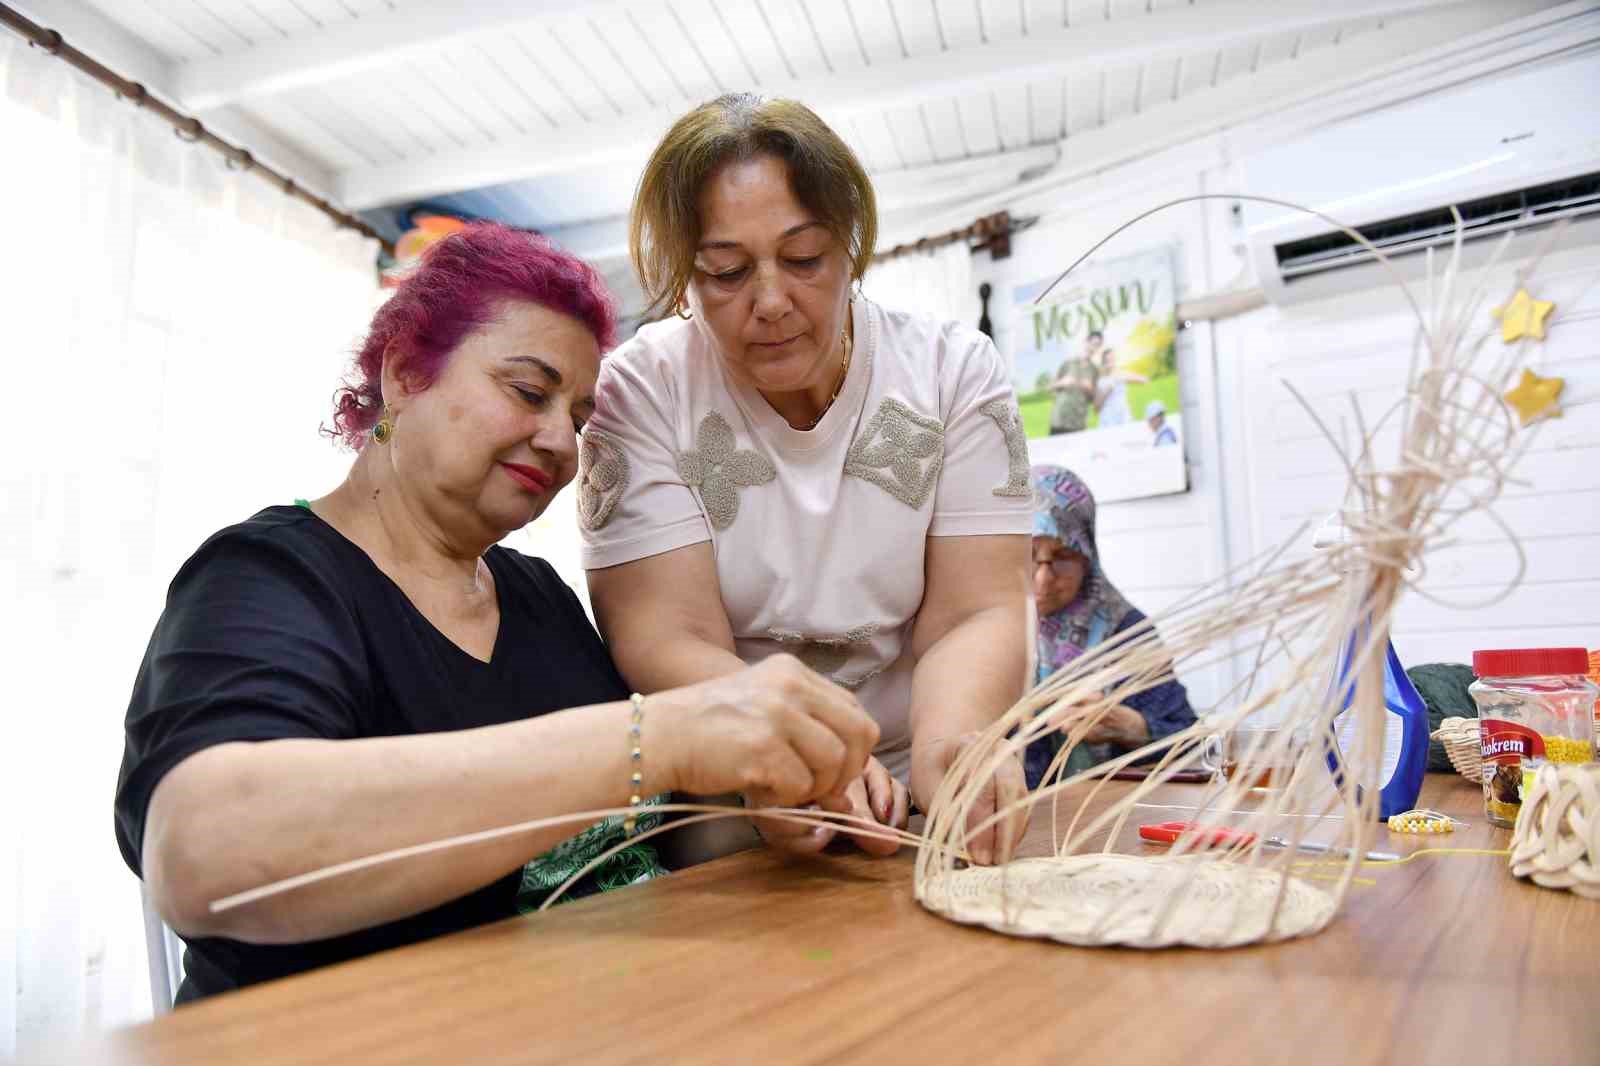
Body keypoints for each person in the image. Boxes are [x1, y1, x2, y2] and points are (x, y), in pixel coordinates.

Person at [115, 224, 880, 1002]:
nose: (560, 441)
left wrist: (767, 805)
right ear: (407, 373)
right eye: (526, 391)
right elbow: (205, 850)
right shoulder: (268, 577)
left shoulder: (536, 595)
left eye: (579, 417)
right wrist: (668, 734)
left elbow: (646, 838)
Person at [579, 93, 1032, 864]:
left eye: (803, 259)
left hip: (912, 750)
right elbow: (667, 634)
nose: (771, 302)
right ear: (683, 274)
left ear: (851, 246)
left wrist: (956, 750)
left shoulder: (952, 374)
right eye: (724, 273)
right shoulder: (642, 392)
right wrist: (796, 755)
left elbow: (975, 612)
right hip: (735, 768)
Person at [1025, 466, 1196, 789]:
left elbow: (1193, 741)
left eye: (1062, 555)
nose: (1043, 578)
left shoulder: (1126, 631)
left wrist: (1135, 728)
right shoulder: (981, 630)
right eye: (1028, 555)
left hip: (1104, 818)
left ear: (1088, 555)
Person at [1090, 332, 1147, 427]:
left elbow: (1144, 380)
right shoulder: (1100, 381)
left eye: (1112, 359)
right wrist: (1106, 391)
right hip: (1107, 420)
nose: (1110, 363)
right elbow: (1096, 409)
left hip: (1123, 417)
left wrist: (1124, 377)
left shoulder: (1121, 374)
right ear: (1103, 363)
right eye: (1107, 360)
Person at [1046, 334, 1099, 435]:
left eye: (1097, 346)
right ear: (1086, 342)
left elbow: (1093, 399)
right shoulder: (1068, 363)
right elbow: (1049, 387)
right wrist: (1061, 383)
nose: (1093, 348)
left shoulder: (1094, 370)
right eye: (1093, 344)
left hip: (1078, 422)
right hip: (1059, 420)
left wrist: (1090, 389)